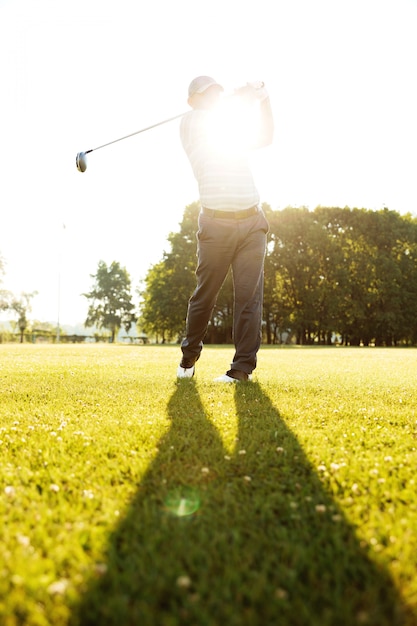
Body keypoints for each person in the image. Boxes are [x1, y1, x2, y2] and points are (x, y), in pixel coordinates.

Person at [177, 75, 274, 382]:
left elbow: (266, 136)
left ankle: (241, 369)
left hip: (252, 224)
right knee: (204, 297)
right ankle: (189, 356)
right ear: (192, 100)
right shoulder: (191, 124)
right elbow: (211, 119)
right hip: (215, 225)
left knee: (249, 299)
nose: (215, 98)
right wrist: (238, 95)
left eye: (217, 92)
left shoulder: (228, 128)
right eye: (208, 94)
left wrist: (263, 100)